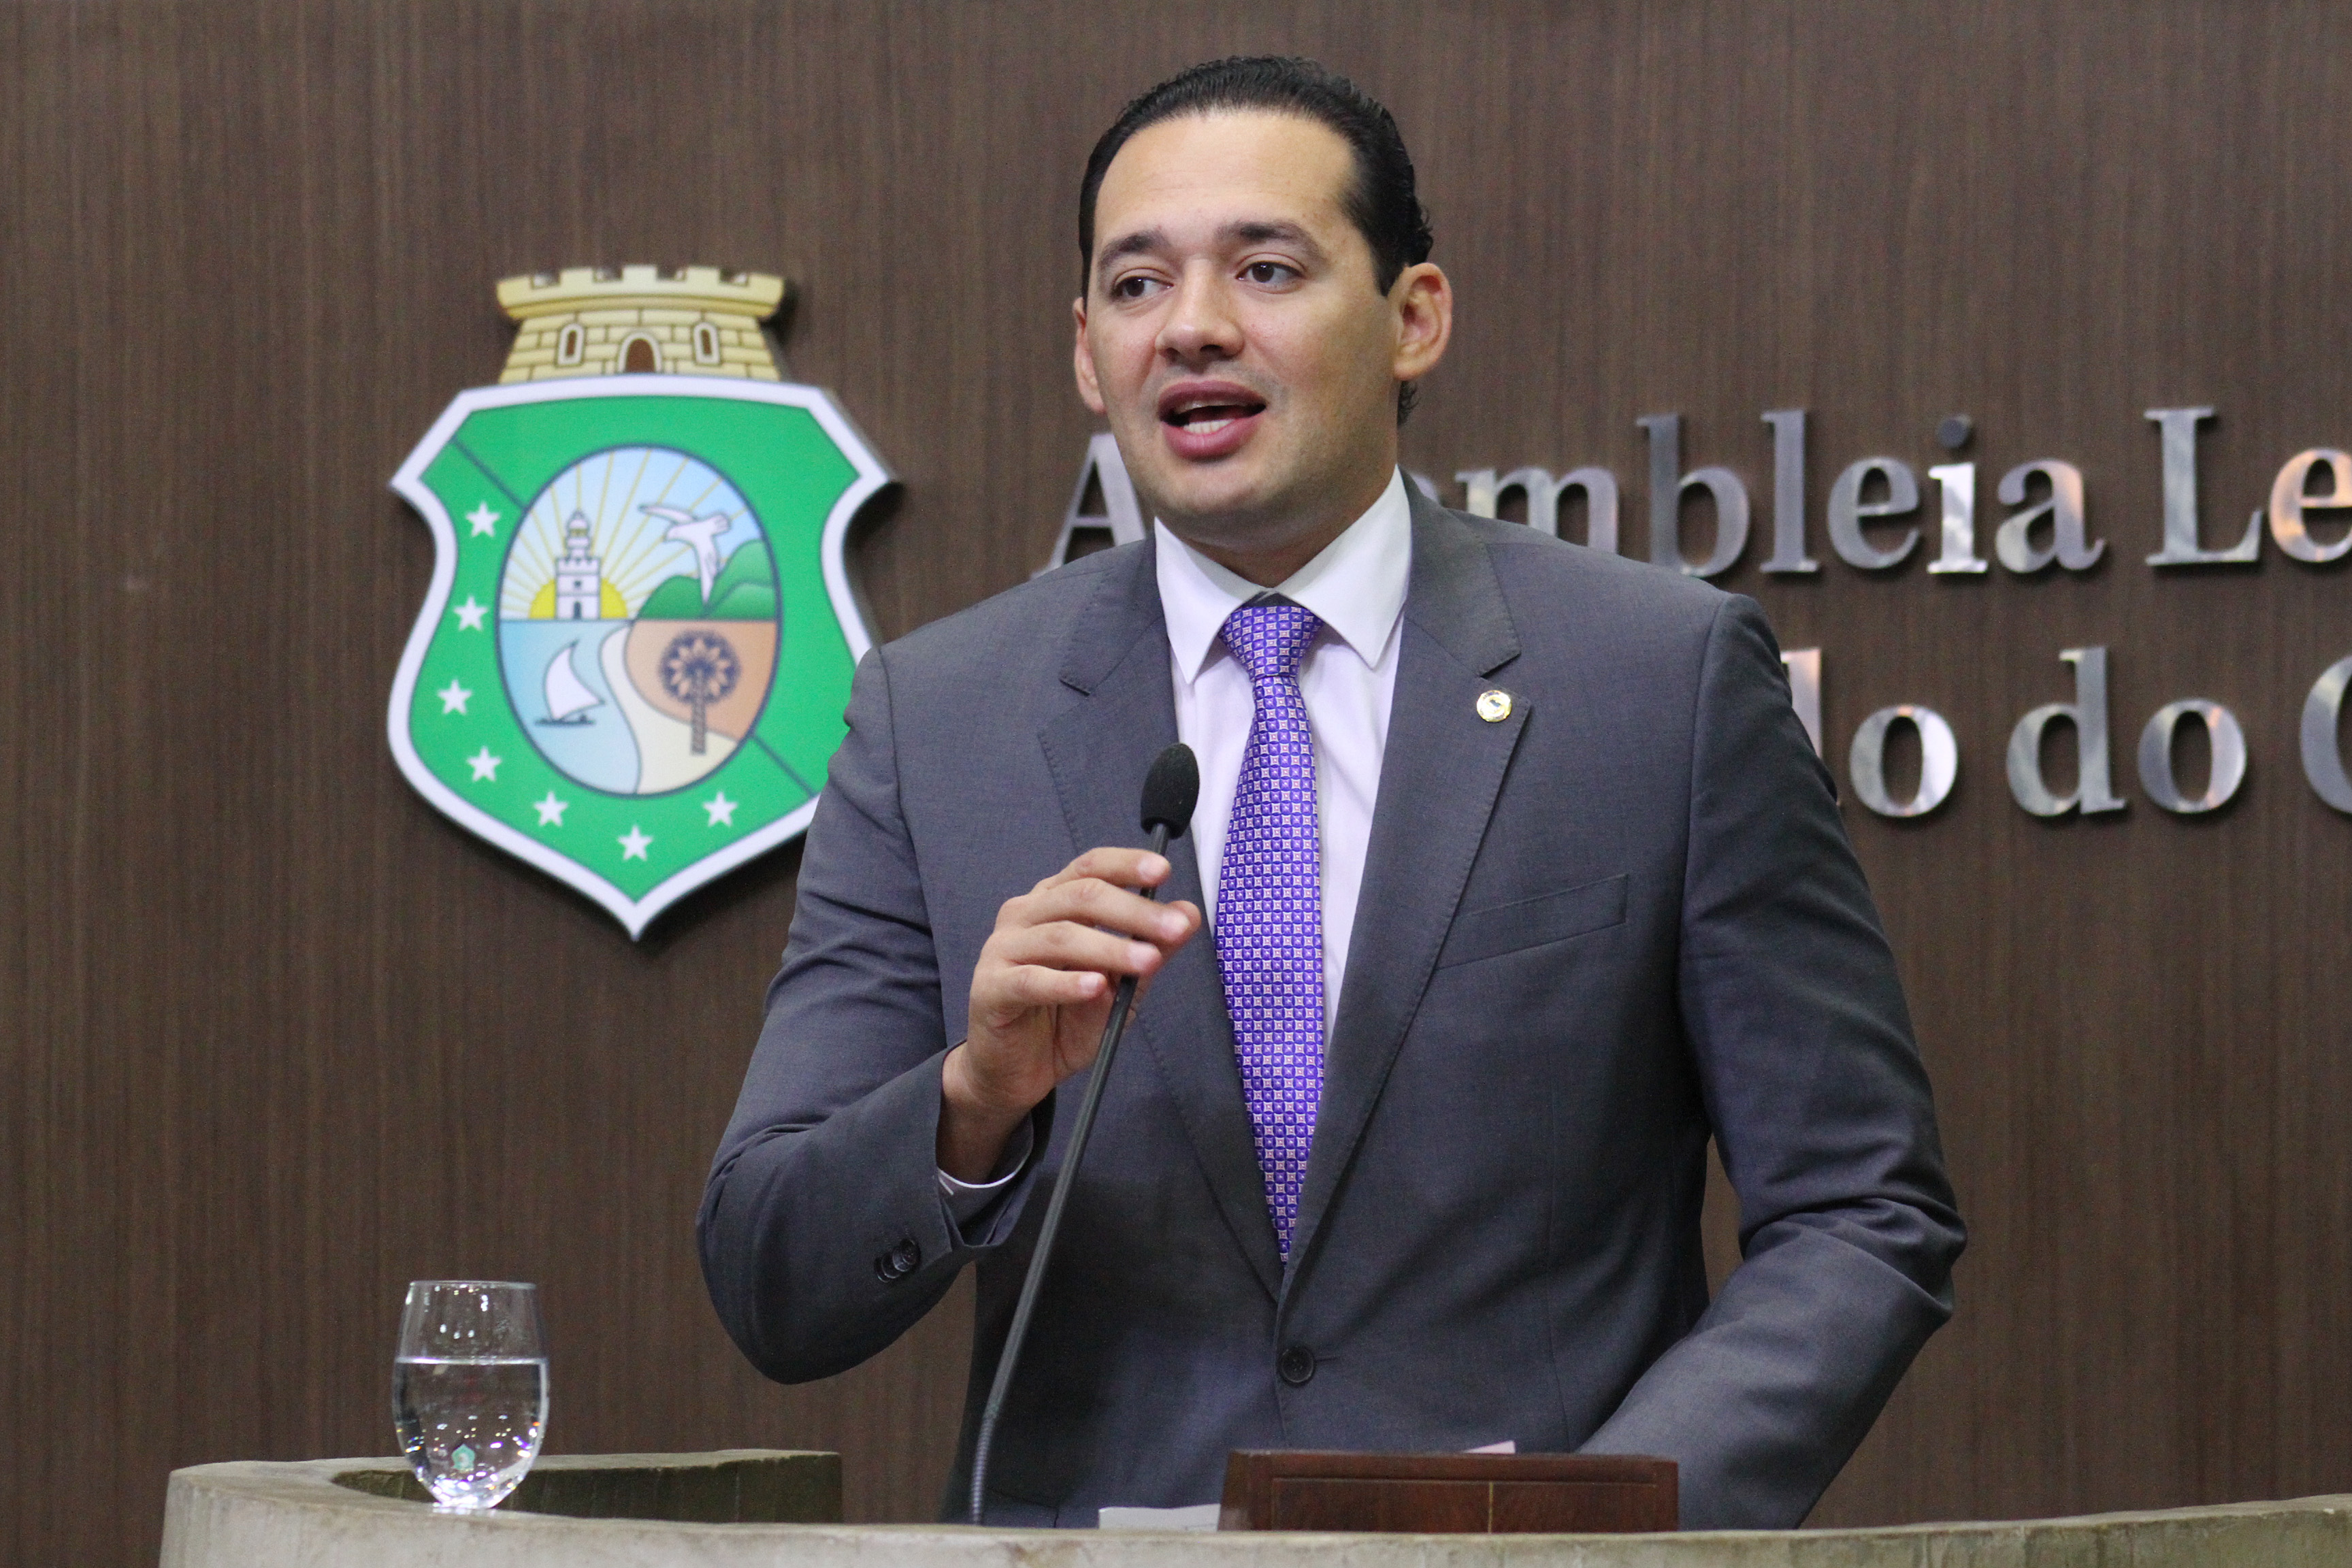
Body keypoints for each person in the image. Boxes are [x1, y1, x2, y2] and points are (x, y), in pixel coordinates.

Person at [700, 55, 1963, 1530]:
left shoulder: (1658, 682)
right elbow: (774, 1278)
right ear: (1088, 355)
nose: (1192, 326)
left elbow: (1861, 1211)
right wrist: (973, 1104)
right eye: (1136, 285)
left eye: (1267, 268)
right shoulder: (937, 718)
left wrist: (1605, 1524)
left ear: (1413, 317)